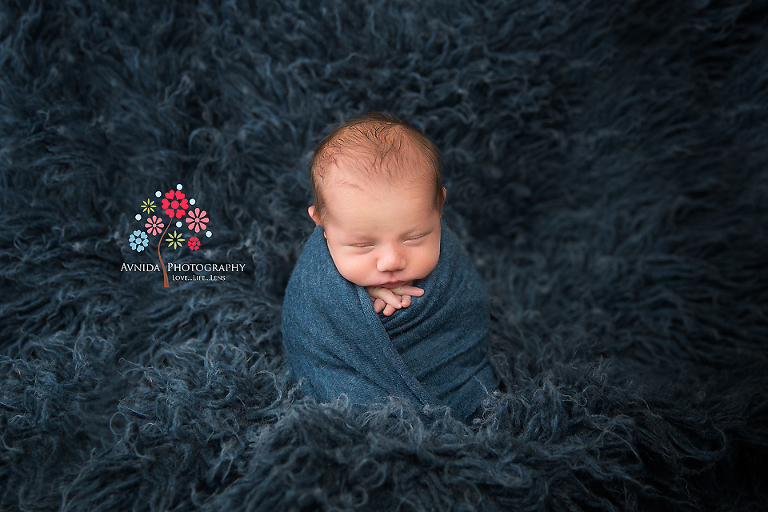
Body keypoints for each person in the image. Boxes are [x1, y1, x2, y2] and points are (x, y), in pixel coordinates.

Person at [282, 112, 498, 421]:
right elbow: (308, 325)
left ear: (438, 207)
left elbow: (467, 312)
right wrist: (358, 305)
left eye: (415, 237)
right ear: (323, 225)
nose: (391, 261)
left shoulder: (450, 265)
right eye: (363, 245)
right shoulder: (315, 281)